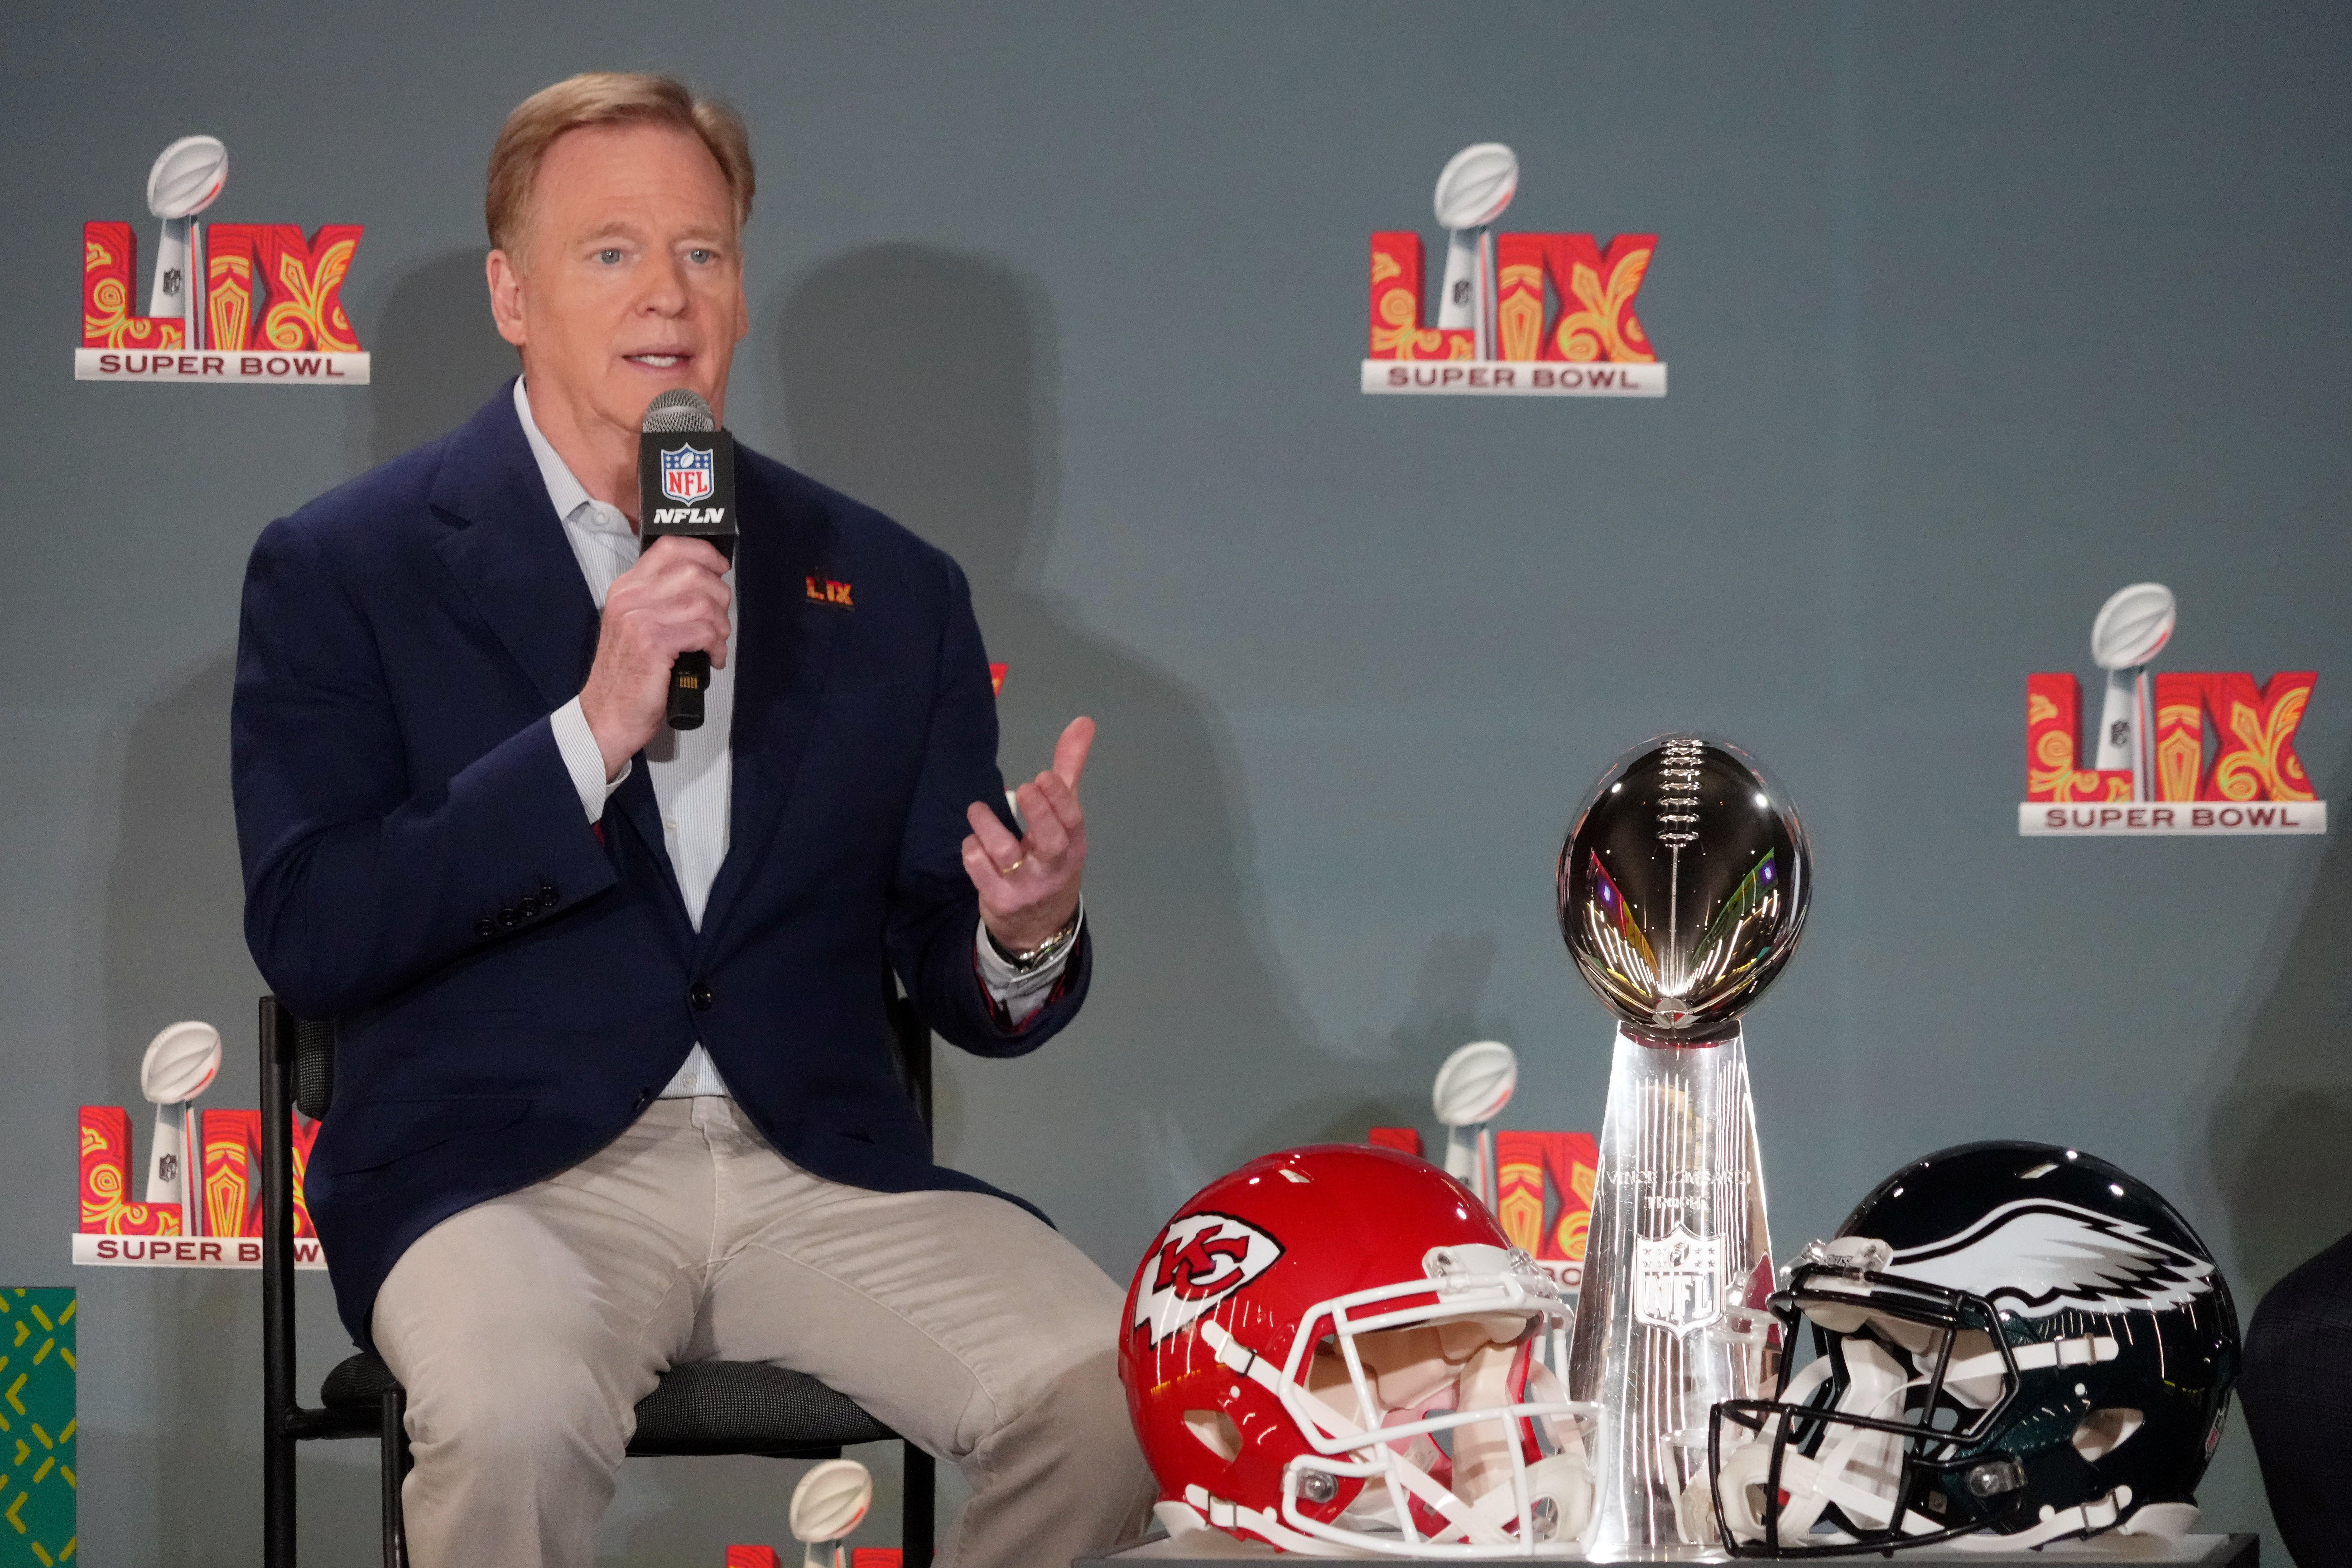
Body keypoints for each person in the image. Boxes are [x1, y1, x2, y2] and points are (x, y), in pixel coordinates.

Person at [232, 71, 1152, 1568]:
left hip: (817, 1168)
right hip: (502, 1176)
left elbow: (953, 958)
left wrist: (1023, 928)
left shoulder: (888, 584)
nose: (667, 292)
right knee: (513, 1408)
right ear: (510, 293)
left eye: (704, 253)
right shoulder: (350, 568)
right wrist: (588, 733)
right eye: (609, 252)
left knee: (1118, 1383)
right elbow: (314, 924)